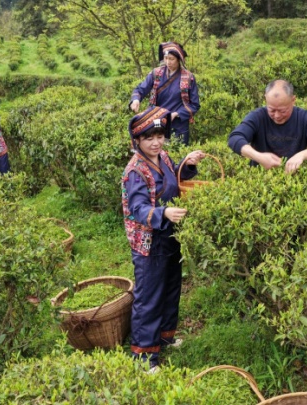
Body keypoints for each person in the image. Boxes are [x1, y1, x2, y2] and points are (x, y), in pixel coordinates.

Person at [122, 106, 205, 371]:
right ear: (137, 140)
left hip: (170, 235)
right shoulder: (135, 171)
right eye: (149, 138)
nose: (156, 142)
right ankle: (144, 356)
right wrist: (163, 212)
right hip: (149, 241)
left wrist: (187, 165)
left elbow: (173, 180)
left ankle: (165, 337)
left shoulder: (164, 157)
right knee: (149, 296)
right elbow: (137, 208)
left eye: (159, 136)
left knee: (170, 286)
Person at [228, 80, 307, 174]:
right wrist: (258, 156)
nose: (277, 116)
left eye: (282, 111)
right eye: (272, 110)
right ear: (266, 99)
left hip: (294, 179)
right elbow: (235, 138)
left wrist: (301, 155)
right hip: (260, 179)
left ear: (293, 100)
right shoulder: (257, 117)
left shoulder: (305, 118)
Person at [130, 42, 200, 145]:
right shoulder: (156, 73)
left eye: (171, 59)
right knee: (157, 148)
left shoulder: (189, 77)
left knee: (178, 150)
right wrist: (136, 100)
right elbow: (140, 89)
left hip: (178, 124)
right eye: (166, 58)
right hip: (158, 120)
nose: (168, 62)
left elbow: (194, 105)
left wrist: (176, 114)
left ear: (179, 59)